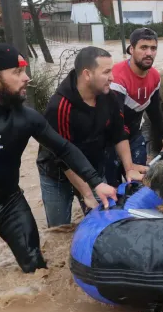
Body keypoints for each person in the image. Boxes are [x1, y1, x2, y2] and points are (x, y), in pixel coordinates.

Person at [0, 43, 117, 273]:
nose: (26, 78)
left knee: (37, 271)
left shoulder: (27, 117)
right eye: (17, 72)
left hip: (9, 204)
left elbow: (65, 149)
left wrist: (96, 182)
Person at [36, 47, 145, 227]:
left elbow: (119, 133)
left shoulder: (109, 96)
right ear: (87, 74)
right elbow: (62, 156)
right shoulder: (60, 106)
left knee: (104, 219)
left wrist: (129, 168)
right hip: (57, 174)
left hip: (93, 169)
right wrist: (87, 194)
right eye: (106, 72)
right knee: (59, 229)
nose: (113, 77)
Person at [106, 27, 163, 186]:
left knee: (138, 185)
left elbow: (154, 110)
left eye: (153, 48)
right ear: (131, 49)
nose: (149, 53)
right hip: (111, 140)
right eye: (143, 48)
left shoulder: (155, 76)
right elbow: (117, 124)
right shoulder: (117, 76)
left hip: (135, 135)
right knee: (113, 188)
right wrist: (127, 165)